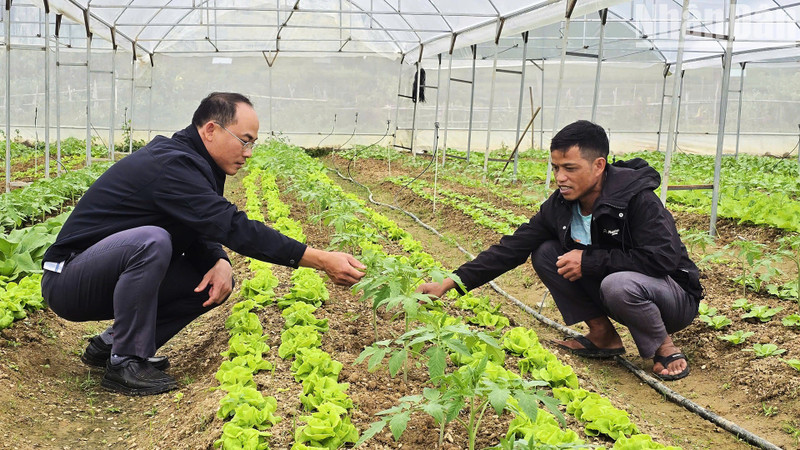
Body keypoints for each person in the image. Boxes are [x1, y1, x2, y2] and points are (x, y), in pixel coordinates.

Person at [41, 92, 366, 396]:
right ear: (211, 129)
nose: (249, 153)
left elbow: (199, 225)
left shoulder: (197, 163)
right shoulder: (172, 165)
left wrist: (219, 260)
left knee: (210, 277)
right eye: (245, 141)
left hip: (101, 274)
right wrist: (320, 259)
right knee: (151, 241)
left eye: (253, 143)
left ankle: (111, 344)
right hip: (68, 278)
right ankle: (124, 363)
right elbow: (231, 225)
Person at [418, 120, 702, 381]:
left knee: (618, 283)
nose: (560, 177)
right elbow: (513, 248)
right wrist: (450, 282)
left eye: (570, 168)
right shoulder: (561, 205)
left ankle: (663, 346)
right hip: (621, 291)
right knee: (545, 253)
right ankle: (603, 335)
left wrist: (590, 260)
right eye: (555, 168)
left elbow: (663, 258)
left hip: (671, 297)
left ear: (599, 165)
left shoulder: (638, 199)